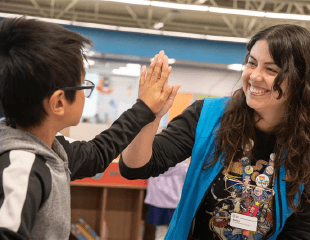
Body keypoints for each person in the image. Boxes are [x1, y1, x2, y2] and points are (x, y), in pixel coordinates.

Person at [120, 24, 310, 240]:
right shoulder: (207, 116)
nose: (255, 76)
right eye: (252, 63)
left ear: (300, 80)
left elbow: (300, 230)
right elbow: (135, 168)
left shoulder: (304, 143)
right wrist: (149, 115)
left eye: (271, 70)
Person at [0, 17, 180, 240]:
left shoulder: (50, 149)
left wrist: (144, 109)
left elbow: (97, 153)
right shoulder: (22, 166)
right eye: (84, 86)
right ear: (58, 102)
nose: (86, 95)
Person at [145, 160, 187, 240]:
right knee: (175, 231)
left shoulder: (156, 159)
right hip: (175, 201)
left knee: (161, 231)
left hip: (158, 199)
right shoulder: (181, 161)